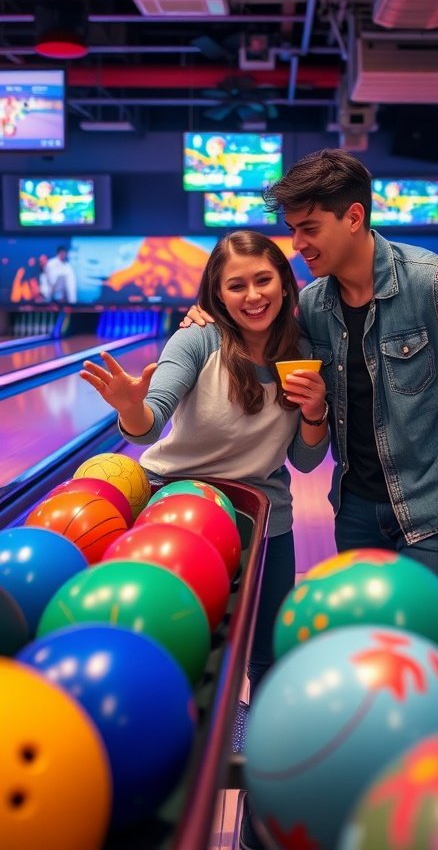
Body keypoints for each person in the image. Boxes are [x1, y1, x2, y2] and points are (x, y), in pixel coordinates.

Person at [182, 149, 438, 610]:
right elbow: (256, 329)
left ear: (354, 216)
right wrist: (210, 318)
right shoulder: (314, 306)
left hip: (436, 506)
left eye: (309, 228)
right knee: (367, 649)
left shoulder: (430, 283)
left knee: (420, 652)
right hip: (356, 506)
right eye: (293, 230)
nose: (297, 243)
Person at [81, 231, 330, 849]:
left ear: (284, 282)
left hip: (262, 521)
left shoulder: (305, 349)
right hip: (174, 519)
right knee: (172, 659)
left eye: (263, 280)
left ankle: (262, 826)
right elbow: (149, 422)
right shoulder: (195, 340)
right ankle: (150, 806)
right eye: (236, 285)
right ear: (216, 293)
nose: (252, 295)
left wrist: (318, 410)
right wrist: (130, 407)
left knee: (271, 668)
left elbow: (303, 461)